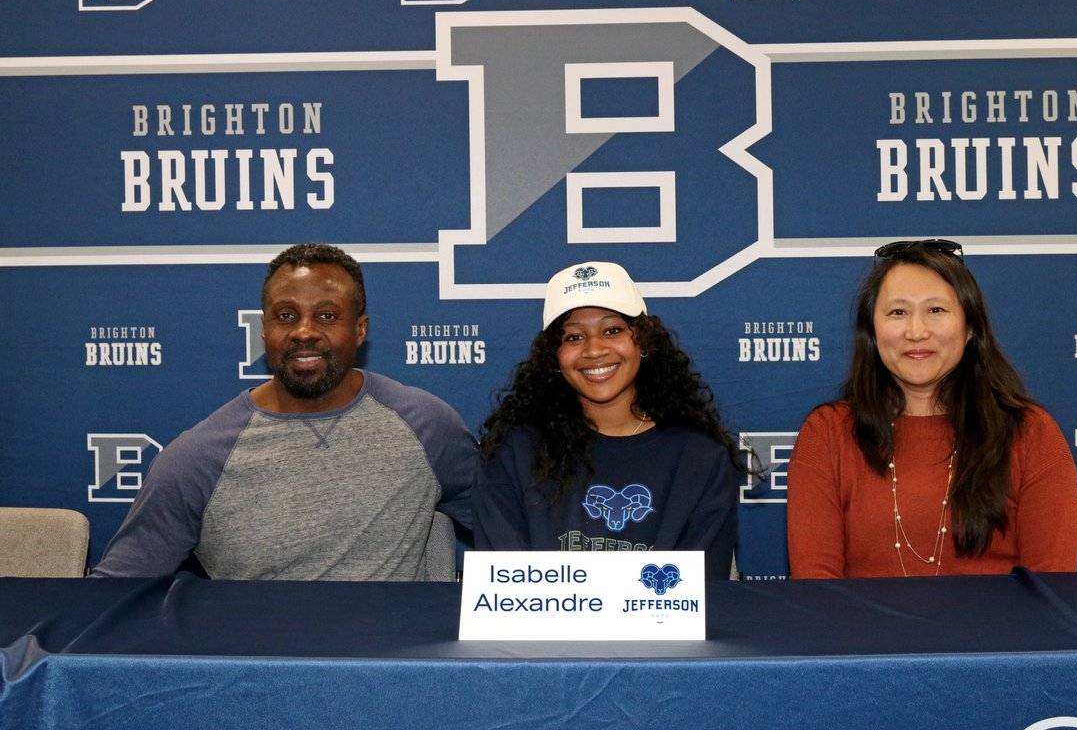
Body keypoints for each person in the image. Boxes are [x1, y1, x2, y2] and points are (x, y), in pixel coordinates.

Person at [93, 243, 476, 581]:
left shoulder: (426, 425)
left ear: (360, 330)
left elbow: (515, 529)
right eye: (286, 316)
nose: (304, 332)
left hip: (395, 657)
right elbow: (114, 596)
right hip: (258, 659)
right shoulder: (199, 459)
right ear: (264, 329)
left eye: (326, 316)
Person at [787, 239, 1077, 578]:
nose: (916, 331)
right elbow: (816, 596)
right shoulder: (827, 434)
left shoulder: (1030, 433)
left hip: (1000, 631)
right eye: (898, 312)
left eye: (936, 310)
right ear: (872, 331)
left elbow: (1051, 592)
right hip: (862, 632)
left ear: (970, 328)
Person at [471, 261, 748, 579]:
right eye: (574, 337)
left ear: (643, 341)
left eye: (612, 330)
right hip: (542, 627)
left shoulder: (699, 458)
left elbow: (697, 595)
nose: (594, 350)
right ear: (554, 356)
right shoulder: (512, 452)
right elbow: (506, 587)